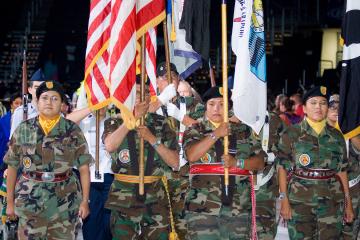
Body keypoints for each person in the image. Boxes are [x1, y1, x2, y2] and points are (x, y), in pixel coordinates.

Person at [4, 81, 92, 239]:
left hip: (65, 202)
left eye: (55, 98)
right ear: (37, 102)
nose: (49, 102)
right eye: (44, 98)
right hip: (30, 200)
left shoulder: (73, 131)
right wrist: (10, 202)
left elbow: (84, 169)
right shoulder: (23, 129)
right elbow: (12, 167)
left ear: (62, 104)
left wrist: (85, 201)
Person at [183, 86, 265, 239]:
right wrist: (216, 134)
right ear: (205, 107)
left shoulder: (244, 130)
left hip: (238, 208)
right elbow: (192, 155)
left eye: (222, 104)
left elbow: (260, 162)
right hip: (202, 208)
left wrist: (238, 163)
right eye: (212, 104)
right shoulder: (195, 129)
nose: (217, 109)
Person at [104, 81, 180, 239]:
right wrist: (131, 119)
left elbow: (175, 162)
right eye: (136, 93)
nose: (140, 98)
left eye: (145, 94)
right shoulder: (114, 122)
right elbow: (110, 145)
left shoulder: (162, 124)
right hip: (124, 198)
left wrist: (152, 139)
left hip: (155, 198)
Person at [278, 86, 354, 239]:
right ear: (304, 108)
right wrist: (284, 200)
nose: (318, 107)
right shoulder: (291, 133)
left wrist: (348, 203)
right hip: (300, 203)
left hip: (331, 203)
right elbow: (282, 169)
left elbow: (342, 170)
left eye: (323, 103)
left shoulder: (337, 136)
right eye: (313, 103)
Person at [80, 107, 114, 240]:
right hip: (88, 177)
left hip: (109, 176)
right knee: (91, 223)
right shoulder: (83, 122)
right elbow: (67, 120)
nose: (101, 106)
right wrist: (90, 108)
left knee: (109, 223)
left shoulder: (114, 122)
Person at [255, 110, 285, 239]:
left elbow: (285, 154)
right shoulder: (229, 116)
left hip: (265, 191)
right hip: (235, 190)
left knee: (265, 233)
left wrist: (284, 197)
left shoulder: (273, 119)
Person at [10, 69, 45, 137]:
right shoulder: (20, 112)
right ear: (30, 90)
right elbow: (13, 141)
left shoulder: (54, 112)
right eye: (36, 87)